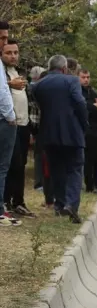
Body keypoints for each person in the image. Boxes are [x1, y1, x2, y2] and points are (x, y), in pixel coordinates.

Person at [30, 55, 89, 223]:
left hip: (48, 134)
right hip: (72, 131)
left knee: (56, 170)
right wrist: (84, 123)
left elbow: (38, 108)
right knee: (75, 169)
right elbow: (80, 103)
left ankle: (59, 205)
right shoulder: (71, 81)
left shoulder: (37, 85)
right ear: (64, 68)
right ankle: (71, 205)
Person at [2, 39, 36, 218]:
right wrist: (9, 84)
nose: (13, 56)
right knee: (11, 164)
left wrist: (30, 127)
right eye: (9, 52)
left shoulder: (20, 71)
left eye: (15, 52)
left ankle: (19, 201)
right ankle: (5, 201)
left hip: (23, 124)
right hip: (8, 124)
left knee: (21, 164)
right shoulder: (2, 72)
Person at [0, 20, 20, 227]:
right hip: (4, 120)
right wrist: (10, 116)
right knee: (2, 167)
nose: (4, 42)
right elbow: (2, 94)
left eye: (6, 37)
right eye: (2, 38)